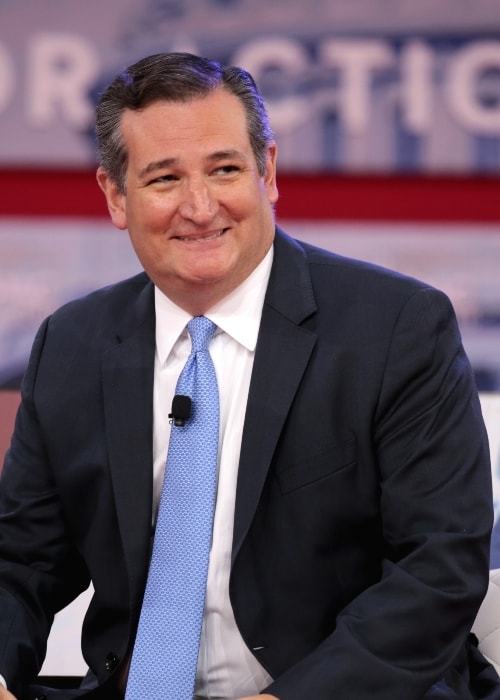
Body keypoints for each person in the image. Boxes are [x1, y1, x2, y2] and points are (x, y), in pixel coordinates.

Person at [0, 51, 497, 700]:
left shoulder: (396, 327)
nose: (200, 206)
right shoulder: (73, 343)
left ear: (268, 171)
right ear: (116, 197)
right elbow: (20, 560)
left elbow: (439, 569)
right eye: (163, 179)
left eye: (225, 169)